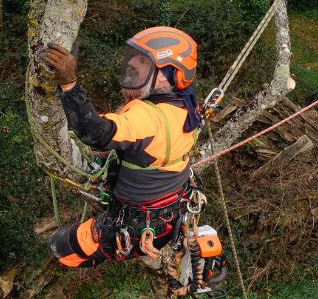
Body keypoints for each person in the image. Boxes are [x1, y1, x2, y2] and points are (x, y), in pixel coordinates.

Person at [41, 27, 203, 269]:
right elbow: (145, 142)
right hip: (170, 214)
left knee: (60, 248)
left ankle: (108, 247)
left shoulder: (145, 117)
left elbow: (94, 132)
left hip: (132, 227)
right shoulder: (187, 104)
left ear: (164, 76)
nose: (133, 64)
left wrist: (69, 85)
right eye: (136, 56)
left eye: (143, 61)